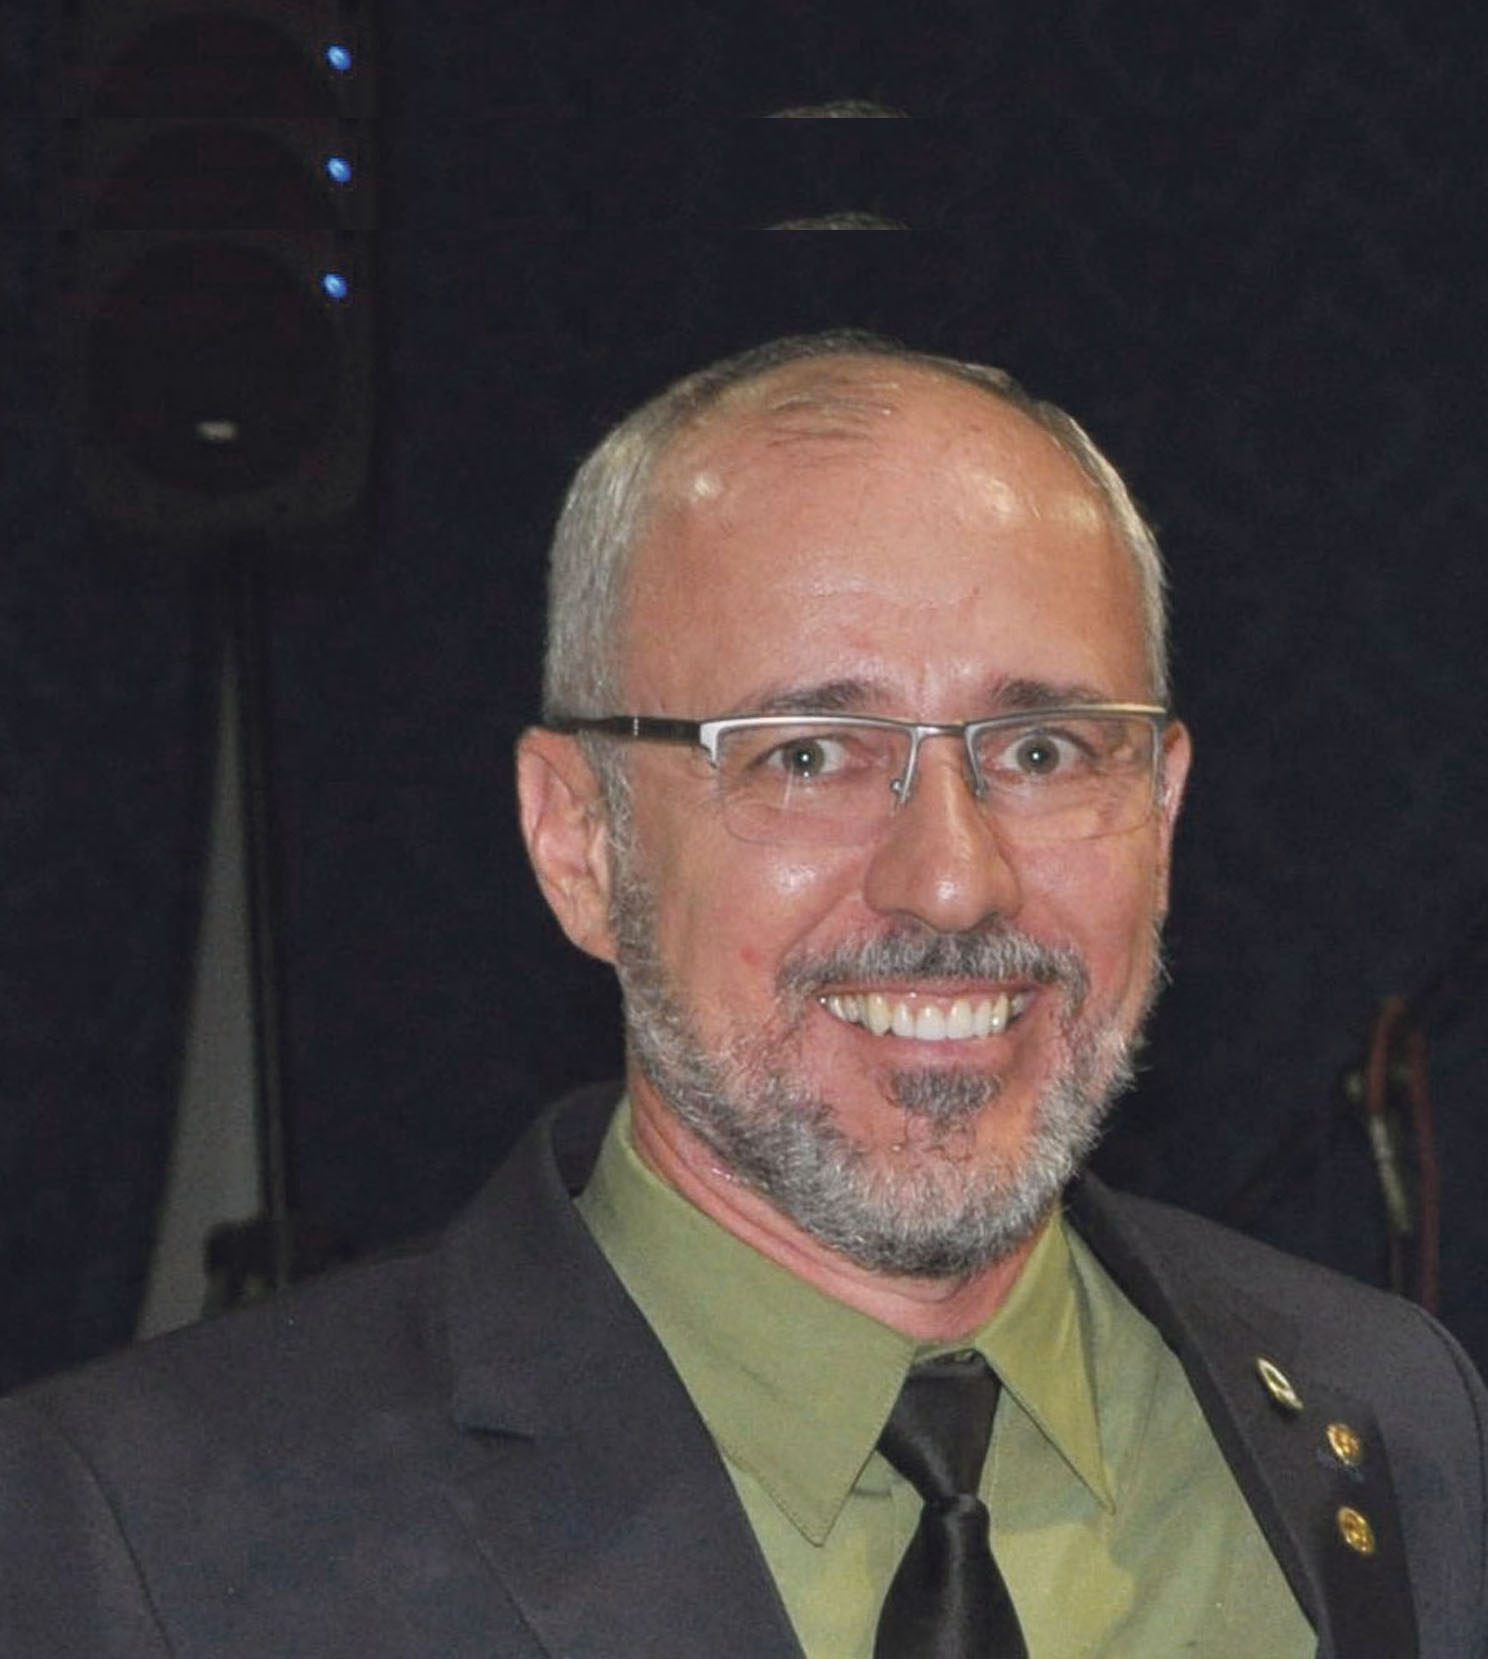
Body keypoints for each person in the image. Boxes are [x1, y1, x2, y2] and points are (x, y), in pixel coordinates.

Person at [1, 333, 1483, 1658]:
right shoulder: (143, 1543)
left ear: (1161, 811)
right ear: (580, 842)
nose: (951, 880)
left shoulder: (1388, 1429)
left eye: (1042, 753)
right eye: (807, 756)